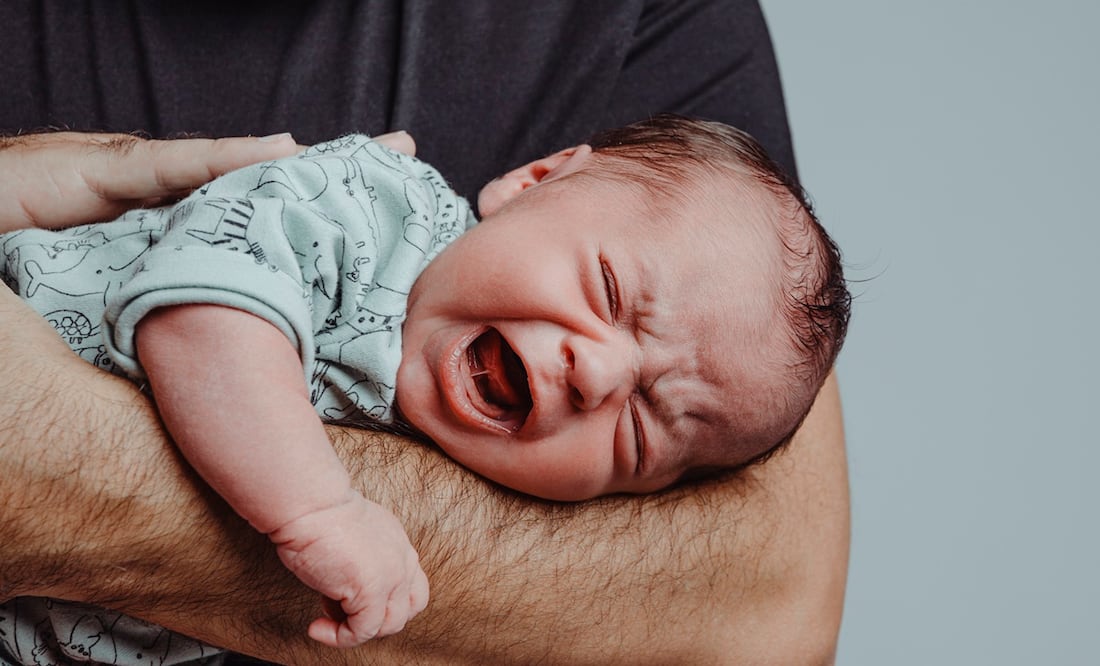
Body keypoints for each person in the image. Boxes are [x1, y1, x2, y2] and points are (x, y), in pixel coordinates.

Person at [0, 2, 850, 664]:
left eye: (637, 430)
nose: (596, 375)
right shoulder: (374, 210)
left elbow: (776, 615)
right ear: (532, 182)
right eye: (607, 289)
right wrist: (318, 511)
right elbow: (201, 318)